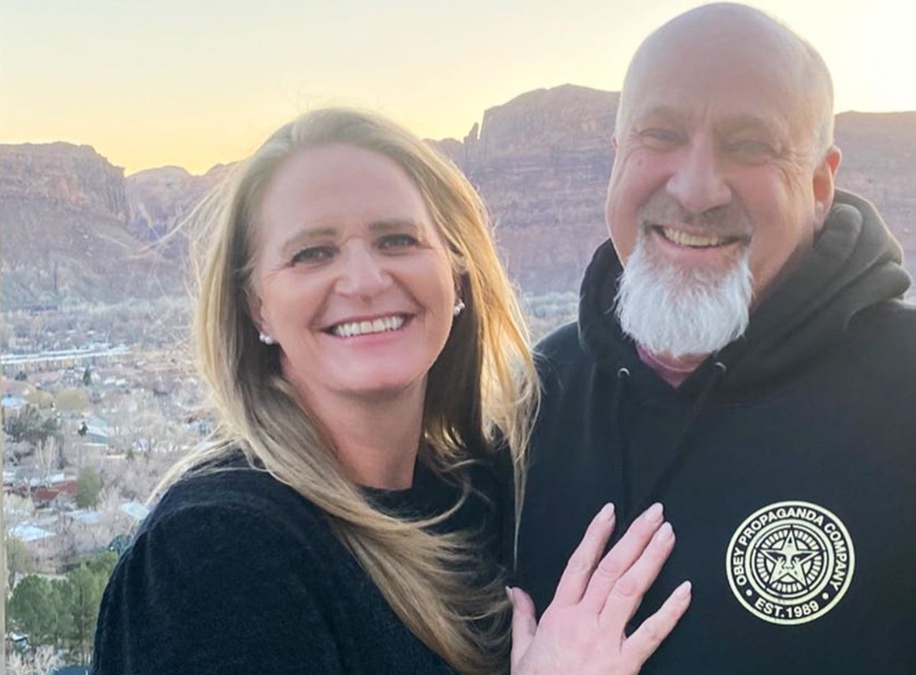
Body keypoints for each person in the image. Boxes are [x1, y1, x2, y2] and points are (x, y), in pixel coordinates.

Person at [515, 4, 916, 674]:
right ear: (617, 160)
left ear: (819, 183)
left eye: (749, 145)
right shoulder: (543, 397)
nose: (695, 189)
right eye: (659, 135)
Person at [92, 108, 690, 675]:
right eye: (312, 253)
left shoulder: (480, 498)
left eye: (398, 240)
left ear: (457, 275)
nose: (365, 281)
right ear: (258, 309)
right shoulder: (216, 551)